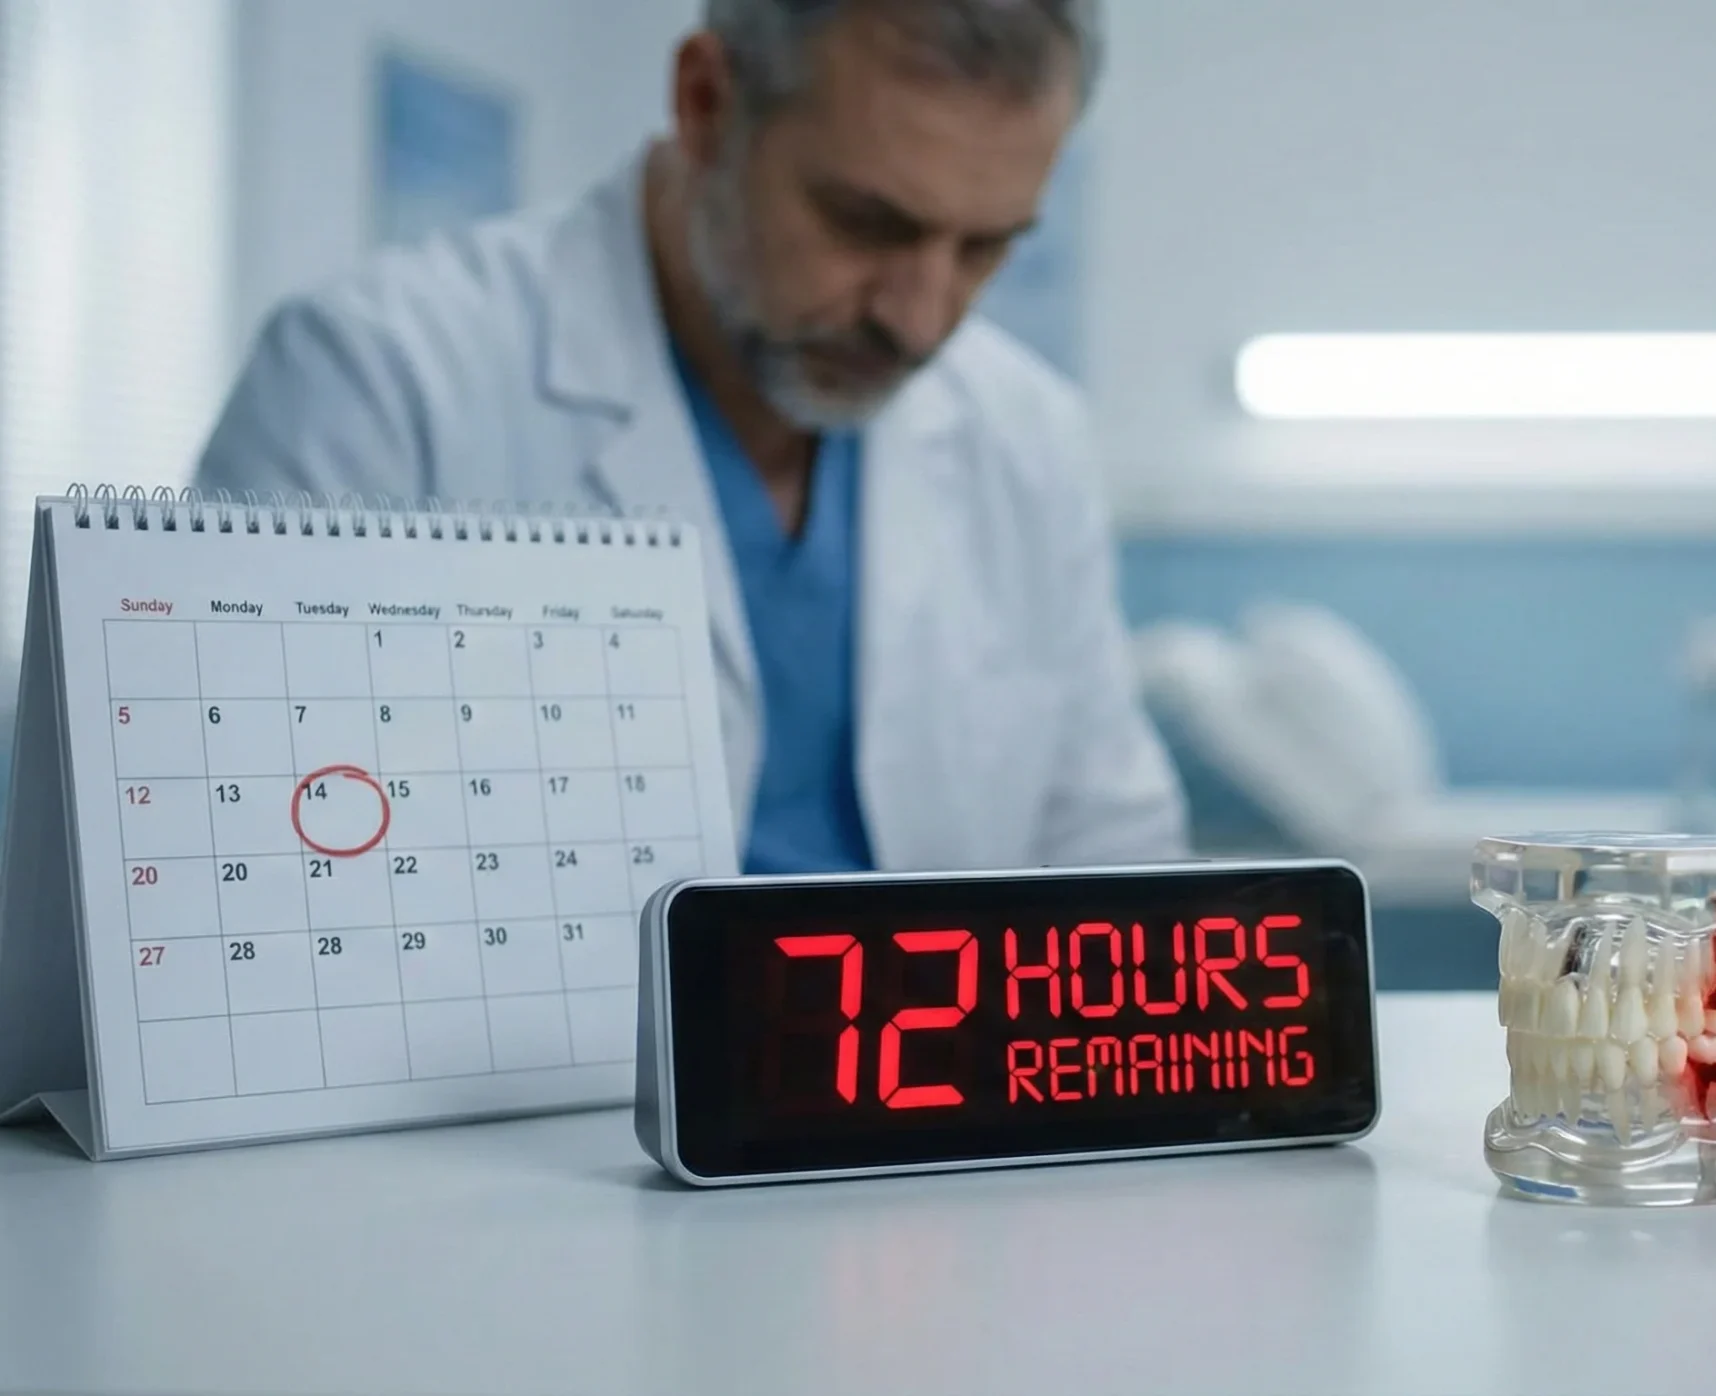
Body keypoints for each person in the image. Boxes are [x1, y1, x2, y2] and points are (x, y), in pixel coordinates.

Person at [194, 0, 1186, 874]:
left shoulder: (1031, 437)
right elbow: (249, 870)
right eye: (864, 224)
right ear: (708, 103)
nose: (920, 322)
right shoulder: (376, 382)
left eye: (985, 247)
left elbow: (1112, 853)